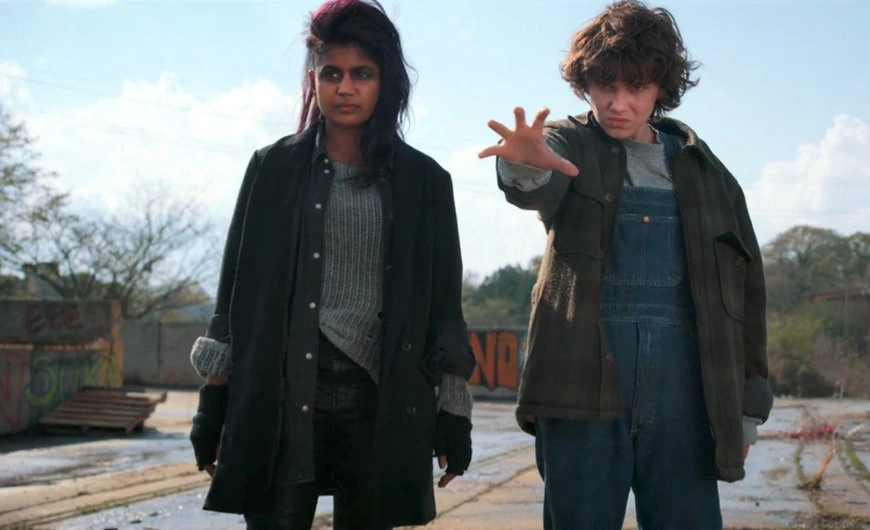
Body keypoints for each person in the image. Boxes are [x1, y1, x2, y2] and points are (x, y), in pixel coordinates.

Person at [477, 1, 773, 529]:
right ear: (584, 84)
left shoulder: (708, 174)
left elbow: (746, 294)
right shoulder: (568, 144)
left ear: (661, 86)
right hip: (578, 388)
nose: (617, 103)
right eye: (604, 86)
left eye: (635, 86)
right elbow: (536, 181)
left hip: (688, 397)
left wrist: (747, 406)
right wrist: (522, 163)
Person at [186, 1, 477, 529]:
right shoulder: (272, 167)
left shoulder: (426, 182)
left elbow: (444, 309)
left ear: (385, 81)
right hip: (281, 395)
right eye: (332, 74)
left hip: (380, 401)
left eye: (361, 74)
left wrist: (454, 413)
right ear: (313, 80)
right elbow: (235, 296)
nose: (345, 88)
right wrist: (213, 406)